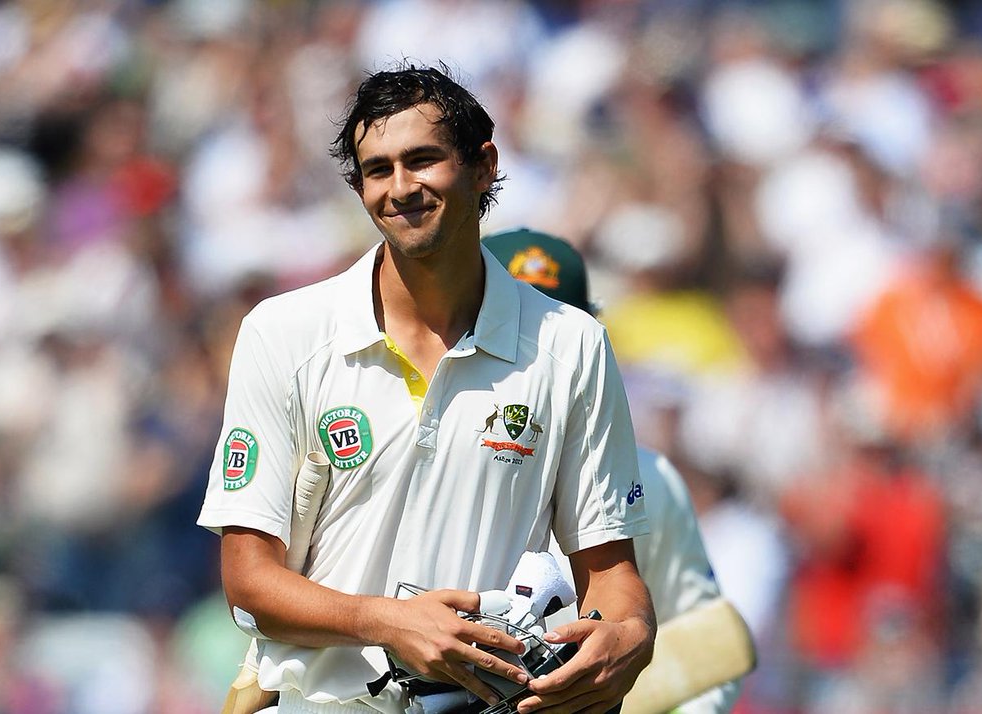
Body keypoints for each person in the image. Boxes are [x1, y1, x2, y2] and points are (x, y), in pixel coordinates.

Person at [197, 64, 655, 713]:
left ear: (483, 165)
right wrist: (387, 622)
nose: (400, 187)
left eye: (422, 160)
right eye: (378, 169)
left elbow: (610, 574)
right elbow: (249, 584)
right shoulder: (284, 333)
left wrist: (627, 636)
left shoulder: (570, 343)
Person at [483, 227, 745, 713]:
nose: (534, 359)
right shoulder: (416, 453)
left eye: (553, 334)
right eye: (512, 333)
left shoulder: (650, 479)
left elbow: (710, 651)